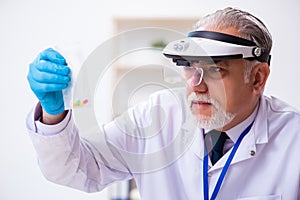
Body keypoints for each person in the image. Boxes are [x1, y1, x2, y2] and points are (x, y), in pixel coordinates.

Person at [26, 7, 300, 200]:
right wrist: (54, 113)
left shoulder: (294, 139)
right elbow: (75, 170)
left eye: (215, 70)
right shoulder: (156, 117)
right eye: (189, 67)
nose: (196, 84)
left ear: (257, 78)